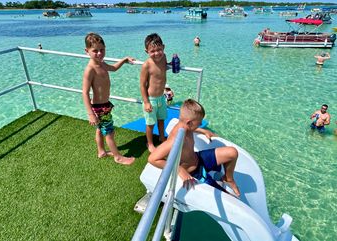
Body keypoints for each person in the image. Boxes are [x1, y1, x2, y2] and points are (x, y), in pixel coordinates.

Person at [148, 99, 240, 197]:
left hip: (198, 158)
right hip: (194, 172)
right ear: (190, 123)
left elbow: (192, 128)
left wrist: (203, 131)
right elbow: (152, 159)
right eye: (199, 123)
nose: (200, 124)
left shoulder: (185, 125)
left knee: (232, 153)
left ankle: (228, 178)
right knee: (227, 196)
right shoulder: (175, 140)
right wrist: (179, 170)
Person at [82, 32, 135, 165]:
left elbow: (114, 68)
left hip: (104, 105)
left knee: (100, 129)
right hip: (100, 108)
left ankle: (101, 151)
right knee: (109, 132)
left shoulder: (102, 64)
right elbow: (84, 92)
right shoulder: (90, 69)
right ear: (86, 51)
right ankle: (118, 157)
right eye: (95, 51)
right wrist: (90, 114)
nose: (99, 53)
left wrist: (124, 60)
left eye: (102, 50)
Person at [140, 33, 168, 152]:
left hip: (161, 97)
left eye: (159, 49)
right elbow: (142, 85)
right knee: (150, 124)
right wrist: (146, 102)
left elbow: (164, 68)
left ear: (163, 47)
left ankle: (162, 137)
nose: (156, 53)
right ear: (147, 51)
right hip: (150, 99)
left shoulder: (164, 57)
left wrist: (172, 65)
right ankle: (150, 143)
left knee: (161, 120)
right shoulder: (147, 65)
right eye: (153, 51)